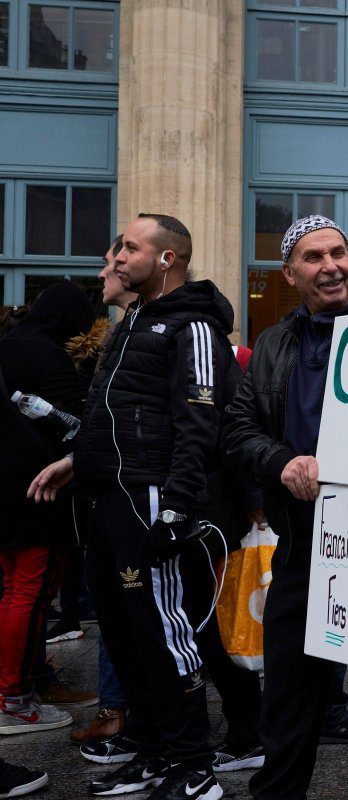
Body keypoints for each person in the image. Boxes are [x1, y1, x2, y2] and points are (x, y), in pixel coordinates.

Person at [29, 214, 235, 800]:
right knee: (123, 639)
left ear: (166, 259)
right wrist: (80, 462)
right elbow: (118, 412)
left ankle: (195, 768)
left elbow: (200, 423)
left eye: (128, 247)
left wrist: (174, 511)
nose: (115, 258)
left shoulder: (192, 325)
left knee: (165, 637)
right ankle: (153, 752)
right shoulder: (132, 322)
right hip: (107, 501)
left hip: (151, 502)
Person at [223, 215, 348, 800]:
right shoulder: (275, 345)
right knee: (290, 677)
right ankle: (280, 788)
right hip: (304, 540)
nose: (330, 265)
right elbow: (236, 428)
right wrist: (281, 461)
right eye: (313, 257)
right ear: (289, 272)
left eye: (338, 253)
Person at [0, 281, 96, 736]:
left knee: (11, 590)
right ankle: (14, 699)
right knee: (30, 593)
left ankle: (22, 684)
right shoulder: (50, 357)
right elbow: (75, 429)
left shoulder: (7, 345)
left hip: (4, 490)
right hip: (41, 490)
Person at [71, 238, 137, 748]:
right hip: (106, 495)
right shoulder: (119, 333)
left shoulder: (159, 332)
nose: (102, 274)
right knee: (117, 612)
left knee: (139, 616)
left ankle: (123, 715)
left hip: (135, 500)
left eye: (112, 263)